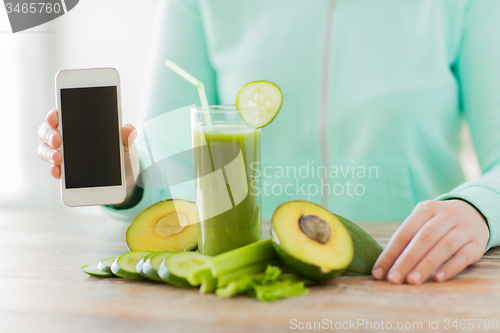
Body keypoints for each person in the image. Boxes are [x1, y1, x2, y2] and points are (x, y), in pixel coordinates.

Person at [37, 0, 498, 285]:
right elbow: (169, 181)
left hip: (405, 271)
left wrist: (479, 208)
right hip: (249, 279)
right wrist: (129, 175)